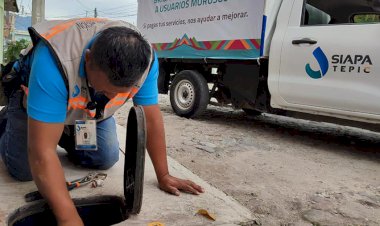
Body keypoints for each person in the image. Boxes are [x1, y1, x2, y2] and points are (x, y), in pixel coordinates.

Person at [0, 18, 204, 226]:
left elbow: (151, 119)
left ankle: (58, 129)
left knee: (103, 157)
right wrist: (70, 218)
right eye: (106, 91)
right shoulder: (53, 60)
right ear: (88, 60)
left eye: (119, 94)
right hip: (33, 97)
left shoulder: (144, 62)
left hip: (85, 109)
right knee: (24, 170)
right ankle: (10, 121)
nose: (112, 97)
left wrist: (164, 174)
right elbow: (41, 155)